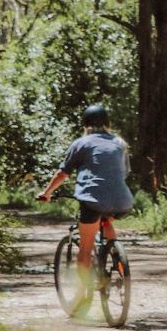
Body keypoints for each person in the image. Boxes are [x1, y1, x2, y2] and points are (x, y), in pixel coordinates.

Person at [36, 104, 135, 316]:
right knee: (106, 221)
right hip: (122, 199)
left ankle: (81, 296)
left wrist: (47, 192)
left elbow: (63, 173)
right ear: (107, 124)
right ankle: (118, 262)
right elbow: (123, 172)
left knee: (86, 248)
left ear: (85, 125)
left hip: (92, 199)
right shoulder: (120, 143)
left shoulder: (81, 143)